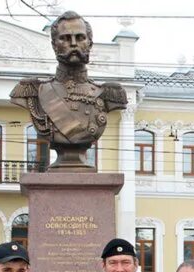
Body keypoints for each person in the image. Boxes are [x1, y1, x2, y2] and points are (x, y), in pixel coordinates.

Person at [9, 11, 126, 169]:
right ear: (54, 45)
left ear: (90, 43)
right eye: (65, 38)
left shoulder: (110, 94)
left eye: (80, 37)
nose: (73, 43)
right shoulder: (33, 91)